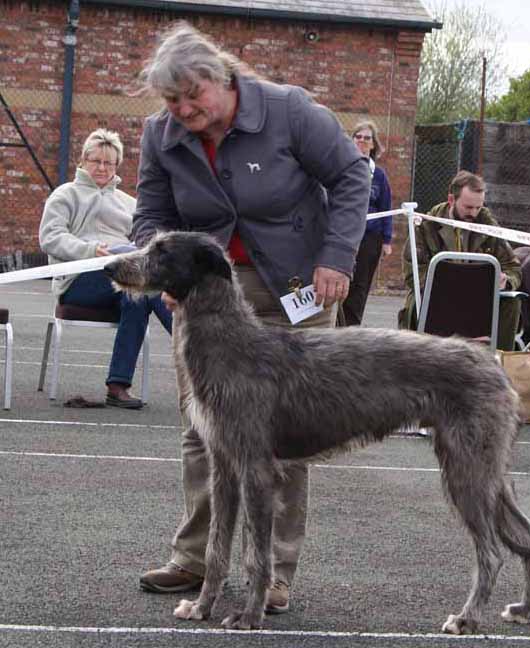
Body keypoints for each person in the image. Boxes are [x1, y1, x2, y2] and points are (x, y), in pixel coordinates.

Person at [130, 22, 370, 612]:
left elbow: (350, 175)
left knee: (283, 434)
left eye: (193, 94)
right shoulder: (160, 136)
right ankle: (194, 559)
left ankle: (273, 572)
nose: (183, 109)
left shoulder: (289, 111)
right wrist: (161, 269)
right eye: (171, 100)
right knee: (203, 431)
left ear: (223, 75)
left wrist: (336, 257)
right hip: (206, 299)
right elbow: (150, 214)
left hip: (296, 286)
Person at [39, 128, 172, 408]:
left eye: (108, 163)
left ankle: (117, 386)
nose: (101, 168)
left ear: (116, 166)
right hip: (78, 281)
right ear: (83, 161)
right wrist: (91, 250)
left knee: (142, 295)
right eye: (96, 161)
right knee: (143, 291)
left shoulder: (129, 203)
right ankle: (204, 350)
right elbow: (50, 237)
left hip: (123, 277)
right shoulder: (65, 195)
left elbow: (144, 240)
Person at [398, 170, 522, 351]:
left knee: (512, 301)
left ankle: (499, 363)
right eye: (468, 207)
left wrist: (506, 281)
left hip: (479, 300)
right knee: (417, 301)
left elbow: (513, 267)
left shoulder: (489, 226)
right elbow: (412, 273)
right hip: (439, 298)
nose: (474, 213)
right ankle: (418, 360)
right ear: (451, 200)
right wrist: (449, 285)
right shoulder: (425, 226)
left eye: (478, 207)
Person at [339, 120, 393, 326]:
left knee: (359, 286)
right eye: (358, 137)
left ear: (373, 144)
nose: (362, 141)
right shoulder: (340, 168)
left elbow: (386, 208)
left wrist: (386, 240)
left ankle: (352, 328)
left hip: (370, 239)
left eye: (367, 138)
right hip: (344, 235)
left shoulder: (379, 176)